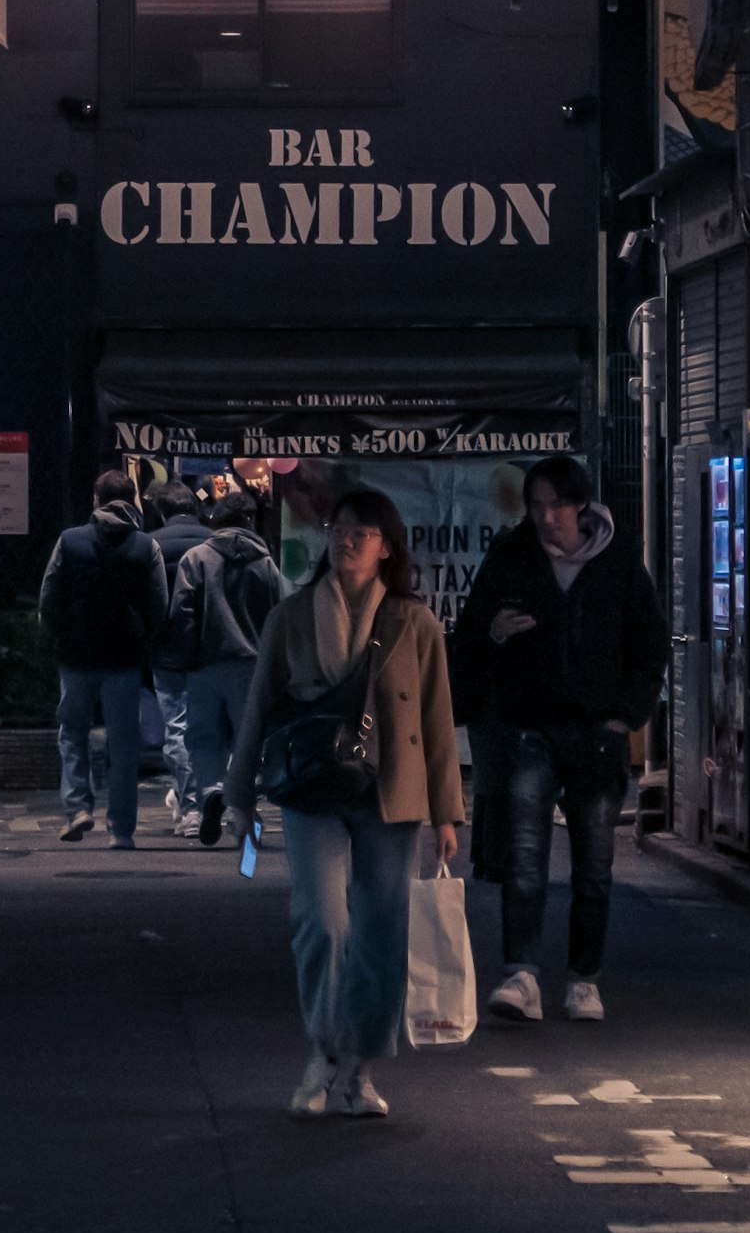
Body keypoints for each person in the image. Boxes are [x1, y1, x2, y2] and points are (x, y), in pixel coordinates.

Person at [228, 488, 461, 1118]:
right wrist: (240, 794)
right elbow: (258, 710)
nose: (348, 542)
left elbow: (438, 721)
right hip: (310, 787)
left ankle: (360, 1068)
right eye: (339, 530)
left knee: (384, 930)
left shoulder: (415, 622)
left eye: (364, 533)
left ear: (388, 547)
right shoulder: (293, 616)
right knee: (321, 922)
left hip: (393, 793)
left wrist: (447, 812)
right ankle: (324, 1049)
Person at [455, 453, 668, 1025]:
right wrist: (495, 633)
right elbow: (471, 632)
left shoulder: (618, 562)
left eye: (556, 505)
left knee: (594, 864)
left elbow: (651, 645)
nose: (546, 517)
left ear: (581, 505)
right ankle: (521, 975)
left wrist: (626, 717)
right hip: (530, 727)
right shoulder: (512, 556)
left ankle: (584, 980)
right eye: (536, 505)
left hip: (598, 733)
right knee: (524, 858)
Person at [37, 466, 167, 845]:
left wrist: (56, 637)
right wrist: (144, 641)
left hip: (76, 656)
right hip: (124, 659)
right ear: (131, 502)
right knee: (123, 744)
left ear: (95, 499)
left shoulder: (70, 540)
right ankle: (121, 831)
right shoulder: (146, 546)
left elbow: (49, 595)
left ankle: (78, 808)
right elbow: (159, 604)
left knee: (73, 732)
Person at [167, 491, 288, 849]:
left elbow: (181, 614)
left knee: (203, 740)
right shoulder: (266, 564)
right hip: (252, 667)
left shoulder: (196, 559)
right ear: (252, 521)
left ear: (215, 521)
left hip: (205, 665)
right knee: (248, 743)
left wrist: (184, 657)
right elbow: (279, 616)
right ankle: (244, 819)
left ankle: (211, 793)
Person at [144, 481, 215, 825]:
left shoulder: (151, 543)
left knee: (177, 728)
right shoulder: (215, 542)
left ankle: (189, 808)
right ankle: (213, 796)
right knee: (212, 728)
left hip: (169, 651)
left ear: (161, 510)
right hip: (214, 649)